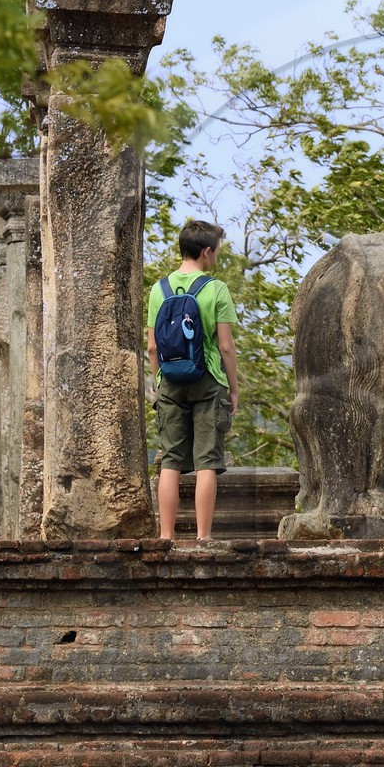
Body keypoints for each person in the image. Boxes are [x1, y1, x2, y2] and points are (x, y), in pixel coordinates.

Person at [146, 220, 240, 541]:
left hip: (170, 380)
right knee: (206, 462)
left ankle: (166, 536)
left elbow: (152, 346)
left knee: (171, 461)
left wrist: (159, 382)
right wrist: (233, 388)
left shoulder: (159, 289)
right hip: (208, 380)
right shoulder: (215, 289)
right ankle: (203, 537)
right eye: (215, 252)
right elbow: (226, 346)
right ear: (206, 251)